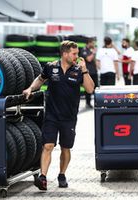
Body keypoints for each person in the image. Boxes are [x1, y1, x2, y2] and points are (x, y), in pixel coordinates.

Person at [23, 41, 95, 190]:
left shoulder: (78, 70)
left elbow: (89, 89)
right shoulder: (51, 67)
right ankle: (43, 178)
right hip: (51, 115)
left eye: (77, 53)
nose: (77, 56)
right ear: (65, 53)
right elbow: (40, 79)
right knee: (48, 145)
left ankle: (62, 174)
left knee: (65, 148)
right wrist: (30, 88)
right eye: (74, 53)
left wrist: (85, 70)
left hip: (69, 117)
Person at [80, 37, 98, 108]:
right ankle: (88, 103)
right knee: (88, 87)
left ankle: (97, 102)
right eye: (93, 43)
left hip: (94, 71)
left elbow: (94, 60)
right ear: (89, 42)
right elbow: (89, 59)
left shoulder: (91, 50)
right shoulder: (84, 50)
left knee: (96, 87)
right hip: (88, 72)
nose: (94, 44)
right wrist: (93, 52)